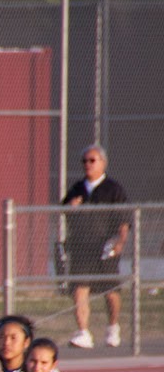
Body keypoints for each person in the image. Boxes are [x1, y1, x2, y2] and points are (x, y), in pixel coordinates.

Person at [60, 144, 128, 349]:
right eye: (84, 161)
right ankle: (83, 332)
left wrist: (120, 242)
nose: (88, 165)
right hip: (81, 246)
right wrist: (70, 207)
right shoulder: (77, 188)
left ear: (102, 163)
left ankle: (112, 328)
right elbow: (63, 210)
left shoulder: (113, 189)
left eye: (92, 160)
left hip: (105, 247)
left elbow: (124, 220)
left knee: (110, 290)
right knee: (80, 288)